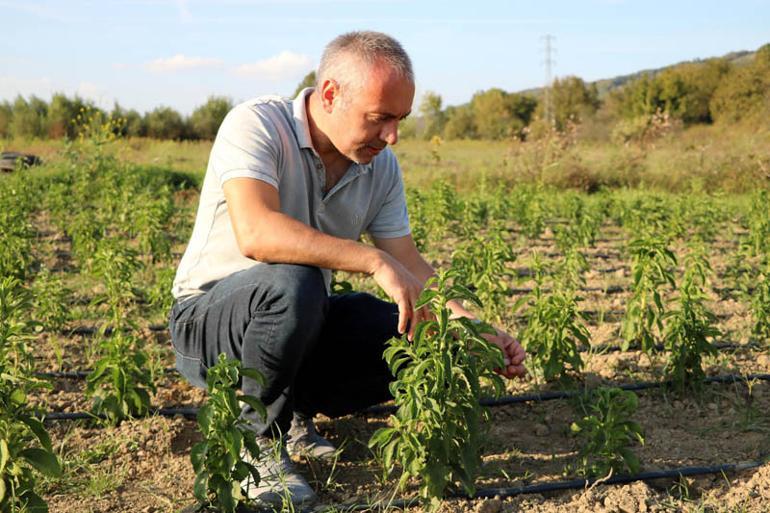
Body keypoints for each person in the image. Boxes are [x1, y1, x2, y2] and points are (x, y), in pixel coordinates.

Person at [168, 30, 526, 508]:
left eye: (400, 120)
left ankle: (291, 409)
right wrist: (371, 259)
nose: (392, 136)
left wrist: (473, 328)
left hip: (300, 317)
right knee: (293, 281)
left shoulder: (380, 167)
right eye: (379, 119)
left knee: (417, 331)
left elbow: (410, 261)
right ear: (331, 94)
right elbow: (258, 233)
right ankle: (254, 447)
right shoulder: (256, 124)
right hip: (210, 323)